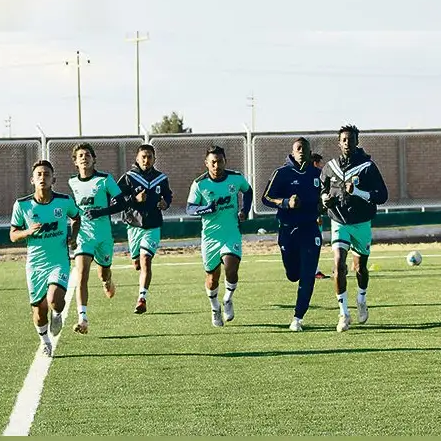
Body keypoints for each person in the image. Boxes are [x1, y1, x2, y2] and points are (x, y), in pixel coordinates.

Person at [9, 159, 81, 357]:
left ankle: (57, 314)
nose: (43, 177)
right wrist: (28, 232)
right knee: (39, 311)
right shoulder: (22, 205)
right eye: (39, 174)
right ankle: (45, 341)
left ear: (53, 179)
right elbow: (13, 235)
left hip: (58, 260)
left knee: (55, 301)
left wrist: (73, 238)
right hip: (35, 265)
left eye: (47, 174)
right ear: (32, 180)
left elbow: (77, 217)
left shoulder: (63, 201)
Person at [320, 124, 388, 332]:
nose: (347, 143)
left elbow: (382, 196)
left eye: (351, 139)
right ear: (338, 143)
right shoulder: (330, 167)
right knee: (339, 265)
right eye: (344, 140)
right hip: (339, 221)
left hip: (361, 223)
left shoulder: (368, 167)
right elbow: (322, 191)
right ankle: (343, 313)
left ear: (358, 141)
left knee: (360, 268)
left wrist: (358, 192)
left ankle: (361, 298)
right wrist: (325, 200)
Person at [262, 138, 324, 331]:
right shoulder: (282, 173)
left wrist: (323, 205)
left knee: (308, 274)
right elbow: (266, 198)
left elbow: (326, 196)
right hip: (288, 229)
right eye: (298, 148)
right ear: (292, 151)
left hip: (310, 228)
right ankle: (293, 272)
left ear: (309, 151)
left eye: (305, 149)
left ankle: (298, 317)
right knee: (293, 274)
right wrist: (286, 202)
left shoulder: (318, 174)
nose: (302, 152)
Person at [186, 145, 252, 327]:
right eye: (213, 162)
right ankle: (215, 308)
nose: (217, 165)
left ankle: (228, 299)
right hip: (210, 237)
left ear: (225, 161)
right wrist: (207, 208)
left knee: (231, 268)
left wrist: (245, 210)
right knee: (212, 278)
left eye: (220, 161)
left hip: (231, 233)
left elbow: (248, 191)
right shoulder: (199, 184)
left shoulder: (236, 178)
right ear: (206, 163)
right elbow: (190, 208)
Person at [67, 143, 128, 334]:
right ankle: (82, 318)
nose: (84, 158)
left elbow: (122, 203)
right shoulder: (72, 183)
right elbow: (74, 212)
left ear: (94, 158)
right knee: (82, 274)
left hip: (103, 237)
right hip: (84, 237)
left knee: (103, 273)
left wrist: (101, 211)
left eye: (87, 154)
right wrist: (73, 235)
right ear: (75, 162)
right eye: (80, 156)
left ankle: (107, 281)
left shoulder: (105, 179)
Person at [116, 144, 173, 314]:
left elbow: (167, 194)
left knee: (146, 260)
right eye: (143, 157)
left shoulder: (161, 178)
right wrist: (134, 198)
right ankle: (139, 268)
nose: (146, 160)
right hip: (133, 225)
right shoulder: (129, 177)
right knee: (137, 264)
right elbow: (117, 198)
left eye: (149, 157)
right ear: (137, 158)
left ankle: (142, 298)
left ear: (154, 159)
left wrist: (166, 203)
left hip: (152, 225)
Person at [312, 152, 330, 280]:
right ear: (315, 163)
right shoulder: (316, 176)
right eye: (320, 163)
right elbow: (316, 198)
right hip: (313, 217)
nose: (321, 166)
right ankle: (314, 270)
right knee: (315, 243)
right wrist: (317, 214)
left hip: (311, 216)